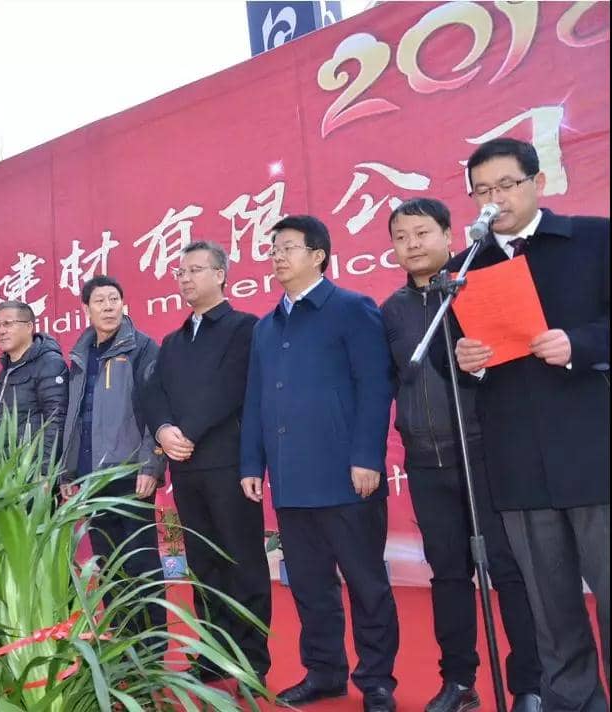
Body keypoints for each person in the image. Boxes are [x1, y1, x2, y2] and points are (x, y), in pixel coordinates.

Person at [450, 138, 609, 711]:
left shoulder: (593, 239)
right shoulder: (464, 268)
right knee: (551, 609)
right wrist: (466, 363)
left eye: (506, 185)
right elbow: (453, 361)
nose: (494, 199)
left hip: (593, 450)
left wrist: (580, 344)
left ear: (537, 183)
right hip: (517, 457)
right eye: (482, 191)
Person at [381, 198, 541, 712]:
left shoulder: (475, 287)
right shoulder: (391, 310)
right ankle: (459, 681)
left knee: (509, 570)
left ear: (449, 235)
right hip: (426, 464)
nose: (412, 244)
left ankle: (530, 685)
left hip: (484, 455)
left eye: (422, 233)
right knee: (448, 576)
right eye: (401, 237)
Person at [239, 216, 398, 712]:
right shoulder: (266, 327)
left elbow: (375, 387)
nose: (277, 256)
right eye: (273, 249)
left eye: (288, 247)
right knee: (309, 587)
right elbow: (255, 400)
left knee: (367, 584)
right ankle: (325, 672)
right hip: (291, 480)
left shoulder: (352, 308)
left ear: (318, 255)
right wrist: (252, 463)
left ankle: (377, 680)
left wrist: (367, 456)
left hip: (348, 477)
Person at [143, 240, 271, 683]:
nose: (185, 279)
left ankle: (252, 659)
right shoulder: (172, 341)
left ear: (220, 275)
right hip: (186, 469)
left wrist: (187, 434)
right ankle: (213, 655)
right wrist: (163, 431)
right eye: (180, 272)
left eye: (195, 270)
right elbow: (153, 392)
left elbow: (230, 388)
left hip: (229, 465)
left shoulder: (244, 328)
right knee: (203, 564)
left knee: (243, 561)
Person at [58, 276, 167, 638]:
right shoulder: (80, 355)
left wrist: (152, 464)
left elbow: (157, 409)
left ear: (123, 304)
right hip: (92, 477)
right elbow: (75, 417)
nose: (108, 307)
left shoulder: (142, 347)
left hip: (131, 473)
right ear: (86, 309)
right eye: (100, 301)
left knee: (141, 562)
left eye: (114, 299)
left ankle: (151, 645)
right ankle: (122, 640)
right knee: (108, 564)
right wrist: (67, 472)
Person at [0, 301, 68, 472]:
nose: (1, 331)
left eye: (8, 324)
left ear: (29, 326)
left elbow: (56, 421)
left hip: (32, 473)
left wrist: (45, 471)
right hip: (5, 473)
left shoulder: (49, 364)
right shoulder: (5, 371)